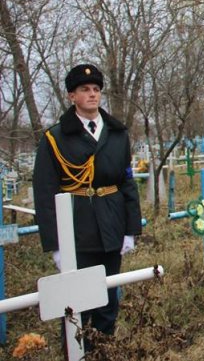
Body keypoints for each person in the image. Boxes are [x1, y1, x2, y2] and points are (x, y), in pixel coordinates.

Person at [33, 64, 141, 347]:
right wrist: (55, 244)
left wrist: (131, 229)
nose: (92, 95)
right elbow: (44, 194)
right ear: (72, 96)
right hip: (77, 230)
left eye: (96, 90)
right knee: (77, 305)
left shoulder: (117, 132)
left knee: (107, 302)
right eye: (85, 90)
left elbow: (126, 182)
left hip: (111, 226)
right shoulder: (55, 138)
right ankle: (77, 352)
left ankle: (103, 352)